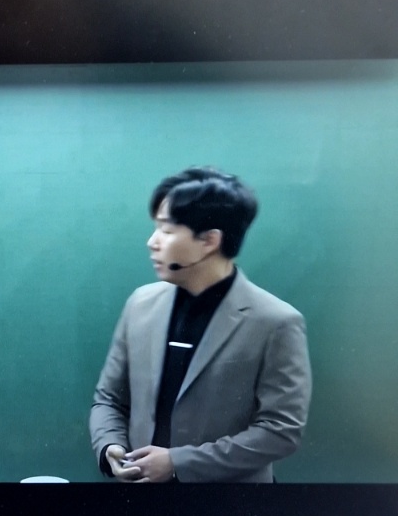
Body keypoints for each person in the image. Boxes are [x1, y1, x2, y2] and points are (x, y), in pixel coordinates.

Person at [89, 167, 312, 483]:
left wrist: (178, 463)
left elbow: (280, 431)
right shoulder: (141, 304)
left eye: (166, 230)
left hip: (231, 504)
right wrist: (110, 444)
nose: (152, 241)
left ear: (209, 240)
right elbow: (109, 399)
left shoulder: (276, 322)